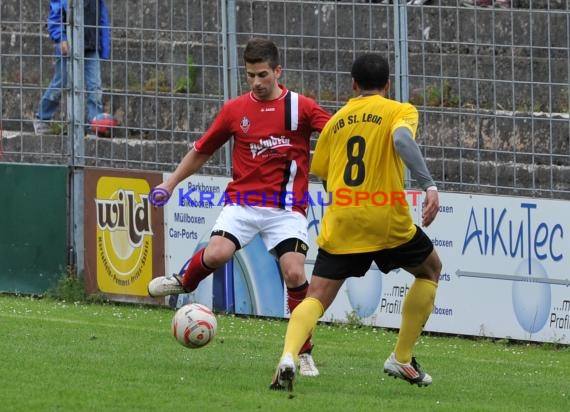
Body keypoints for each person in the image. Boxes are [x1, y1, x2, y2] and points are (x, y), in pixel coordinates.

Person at [148, 38, 332, 377]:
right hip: (243, 203)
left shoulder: (301, 107)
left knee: (294, 272)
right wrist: (171, 182)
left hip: (286, 207)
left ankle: (302, 352)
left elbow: (337, 133)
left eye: (263, 74)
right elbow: (203, 150)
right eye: (250, 75)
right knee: (217, 253)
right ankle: (185, 282)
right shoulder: (235, 110)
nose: (257, 82)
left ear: (278, 71)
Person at [270, 53, 442, 391]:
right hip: (386, 218)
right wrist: (428, 185)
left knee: (316, 297)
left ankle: (289, 355)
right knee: (430, 269)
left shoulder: (335, 122)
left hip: (344, 219)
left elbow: (322, 174)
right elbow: (402, 140)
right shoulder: (399, 110)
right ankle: (401, 358)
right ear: (388, 84)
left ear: (353, 84)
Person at [34, 0, 111, 135]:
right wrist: (61, 37)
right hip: (68, 44)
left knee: (95, 87)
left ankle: (95, 126)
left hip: (91, 46)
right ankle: (42, 117)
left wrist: (104, 47)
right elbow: (56, 14)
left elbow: (102, 17)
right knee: (61, 82)